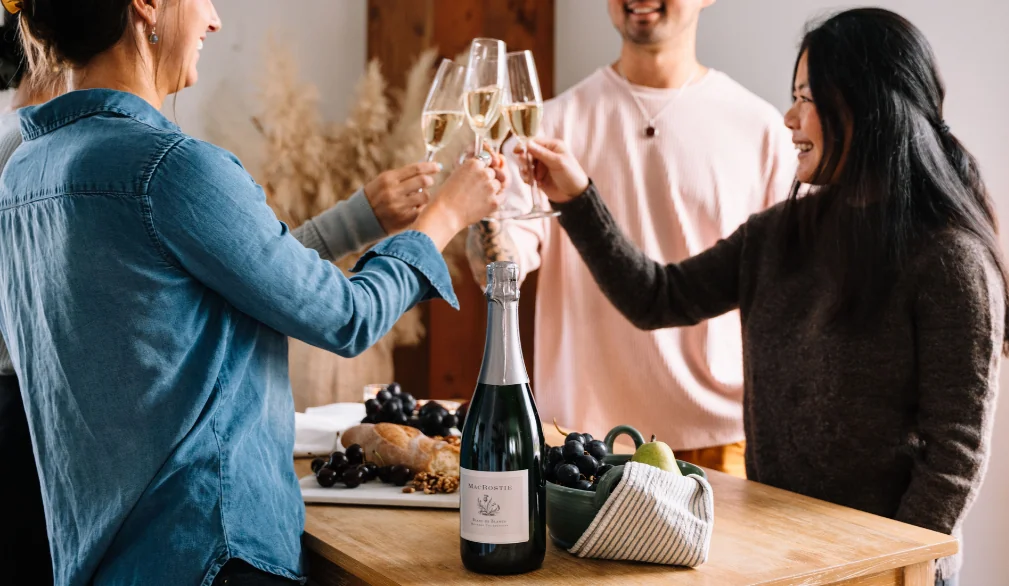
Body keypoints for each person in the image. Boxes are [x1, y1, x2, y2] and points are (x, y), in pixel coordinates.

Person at [0, 0, 504, 584]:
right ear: (146, 6)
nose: (213, 19)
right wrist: (443, 218)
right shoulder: (170, 167)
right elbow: (346, 317)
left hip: (102, 561)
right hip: (212, 556)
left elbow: (214, 295)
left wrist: (362, 217)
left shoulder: (25, 172)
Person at [518, 8, 1005, 586]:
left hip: (890, 569)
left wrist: (891, 566)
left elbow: (956, 454)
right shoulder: (778, 235)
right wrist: (576, 196)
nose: (789, 117)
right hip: (787, 555)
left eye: (807, 97)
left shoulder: (951, 258)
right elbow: (656, 297)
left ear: (864, 104)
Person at [466, 0, 795, 477]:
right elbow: (497, 273)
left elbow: (785, 296)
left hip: (723, 436)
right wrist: (482, 212)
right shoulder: (547, 127)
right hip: (584, 442)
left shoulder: (762, 129)